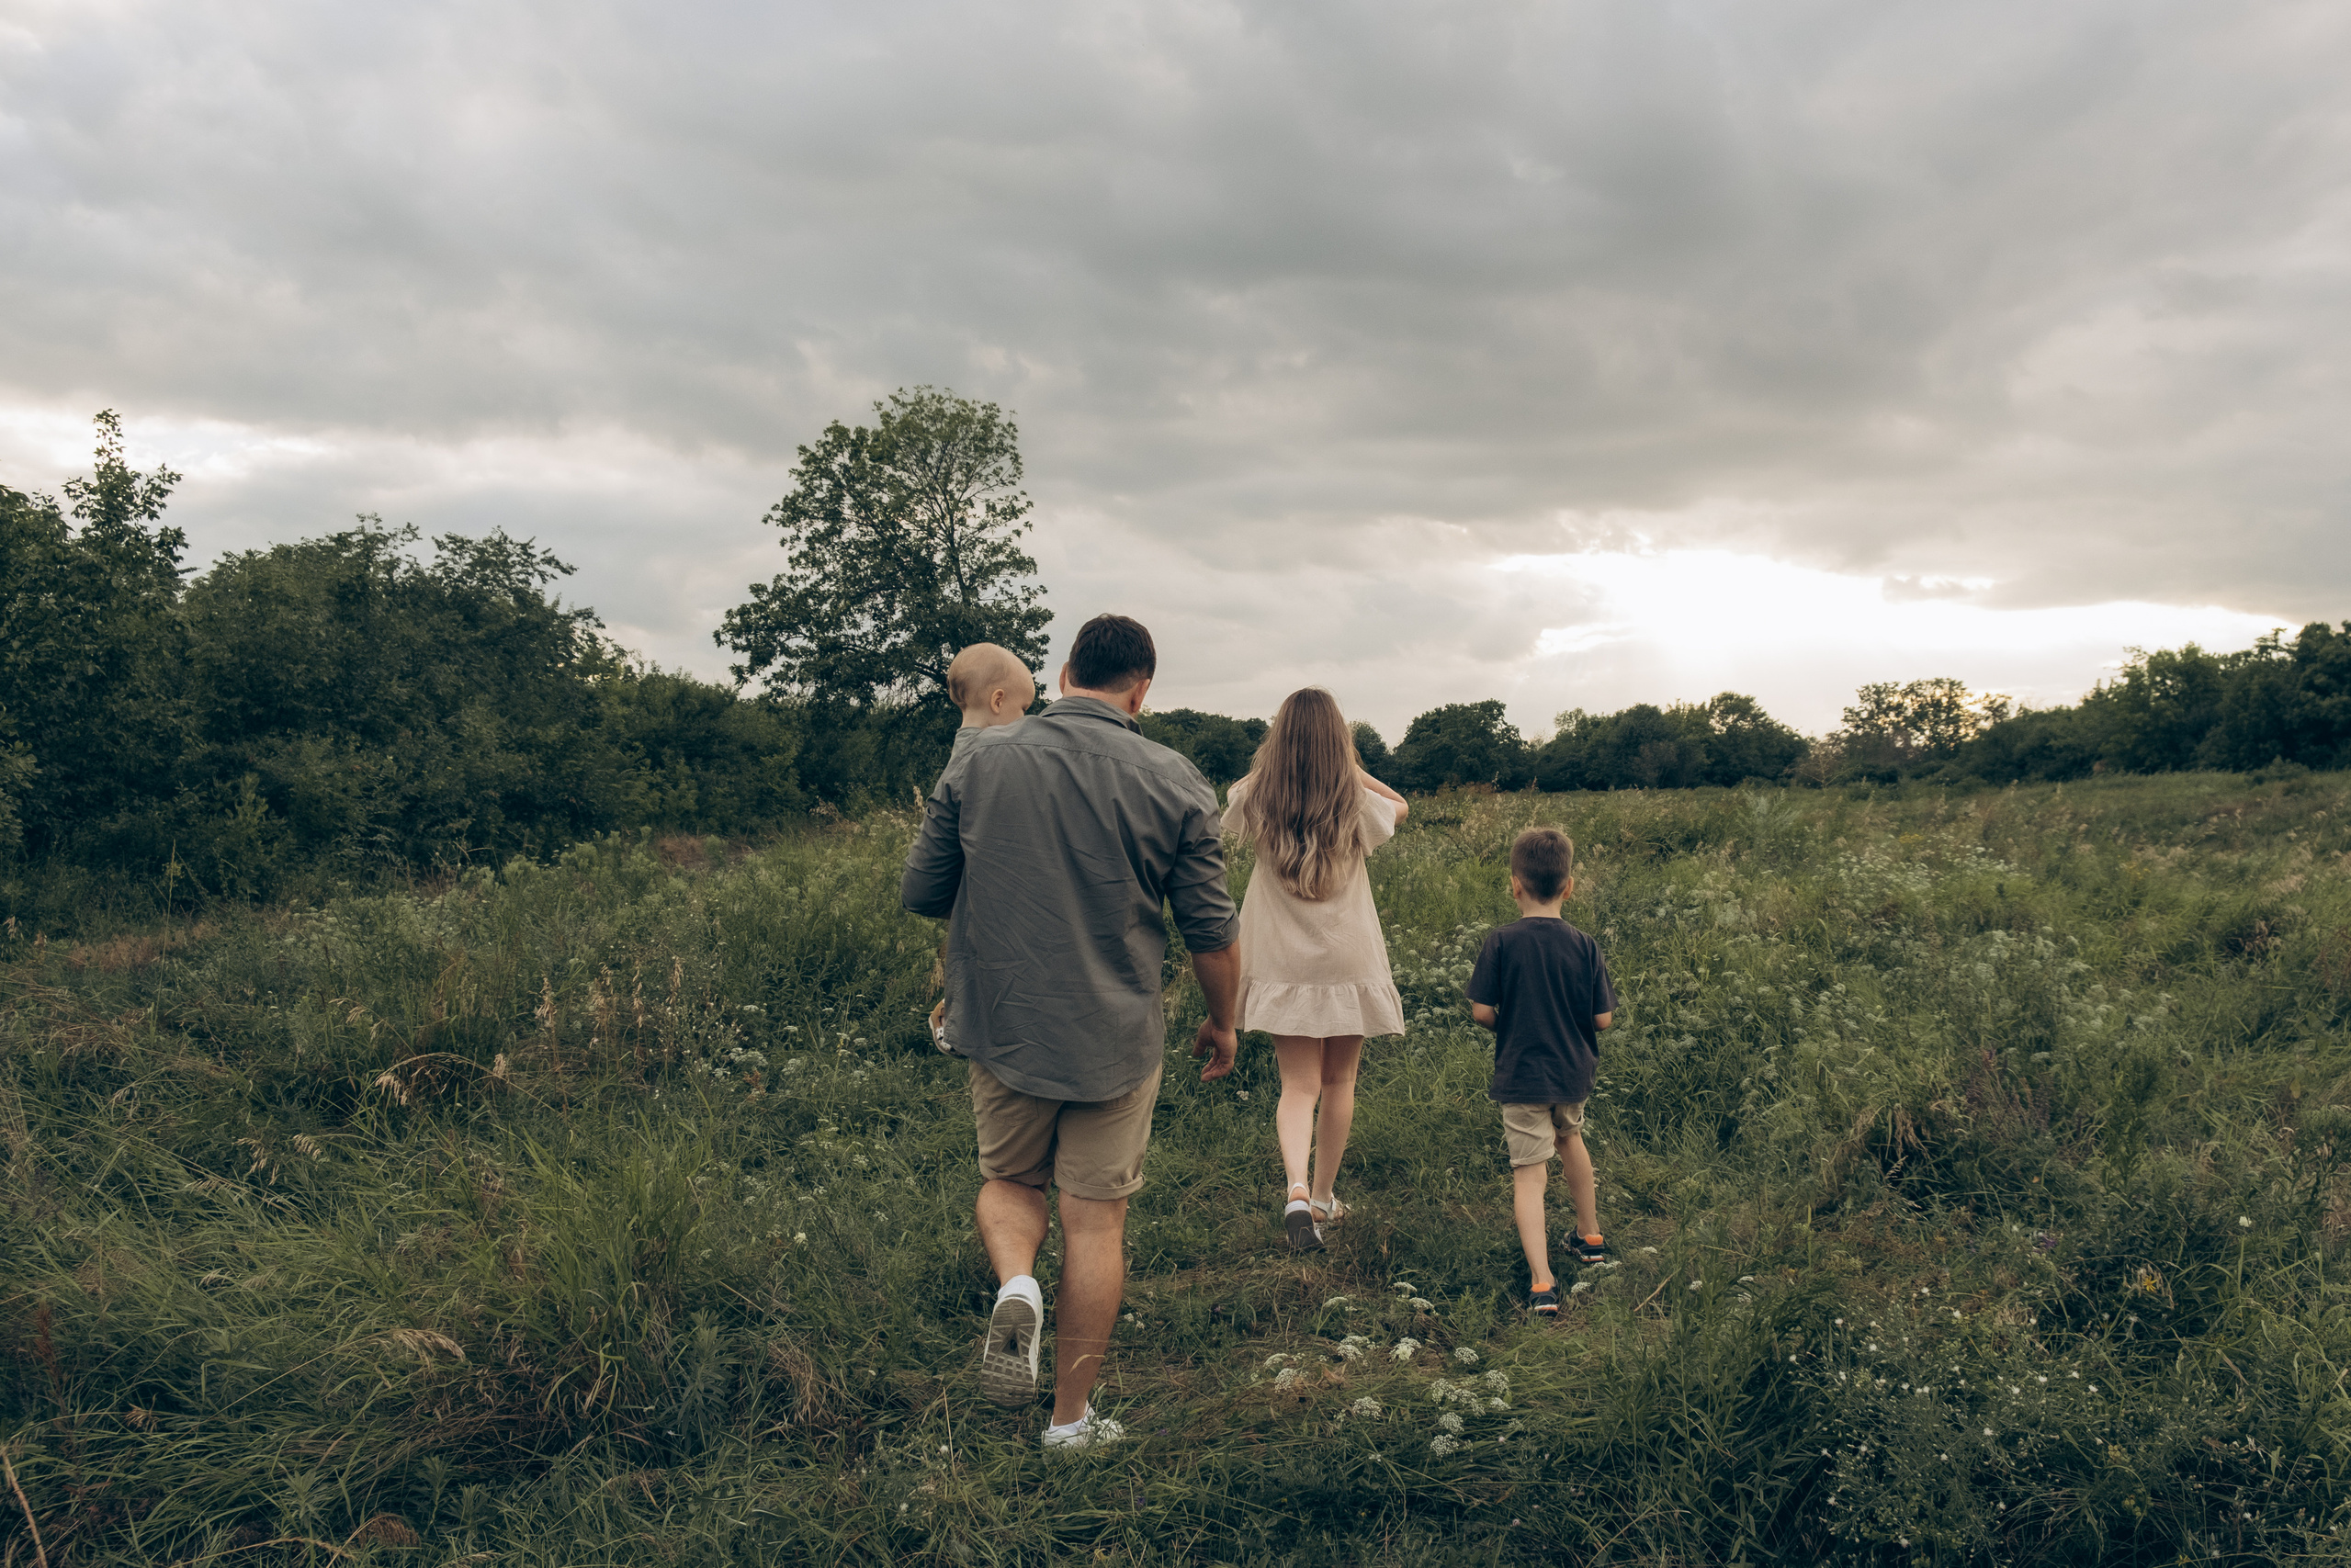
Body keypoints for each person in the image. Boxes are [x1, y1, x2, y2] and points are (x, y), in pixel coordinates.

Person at [900, 613, 1242, 1450]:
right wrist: (1224, 1022)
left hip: (1005, 1024)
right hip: (1115, 1036)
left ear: (1061, 675)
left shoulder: (981, 759)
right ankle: (1069, 1422)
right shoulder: (1175, 778)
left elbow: (922, 892)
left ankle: (1018, 1282)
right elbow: (1211, 931)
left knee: (1011, 1184)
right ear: (1142, 689)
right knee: (1096, 1222)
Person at [1222, 688, 1408, 1253]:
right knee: (1339, 1080)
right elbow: (1400, 805)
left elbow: (1231, 797)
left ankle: (1297, 1191)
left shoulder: (1256, 797)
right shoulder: (1353, 798)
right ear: (1340, 742)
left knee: (1297, 1086)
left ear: (1278, 739)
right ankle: (1325, 1199)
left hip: (1281, 958)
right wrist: (1353, 770)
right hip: (1347, 954)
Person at [1464, 827, 1616, 1317]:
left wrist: (1514, 1025)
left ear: (1515, 885)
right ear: (1569, 887)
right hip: (1573, 1071)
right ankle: (1590, 1237)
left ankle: (1542, 1282)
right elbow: (1603, 1020)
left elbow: (1482, 1011)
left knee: (1530, 1175)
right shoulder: (1586, 945)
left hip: (1523, 1073)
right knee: (1571, 1139)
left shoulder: (1502, 941)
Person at [926, 643, 1040, 1055]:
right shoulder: (980, 759)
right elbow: (922, 886)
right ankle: (956, 1023)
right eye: (1025, 707)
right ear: (998, 701)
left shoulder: (959, 756)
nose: (1027, 718)